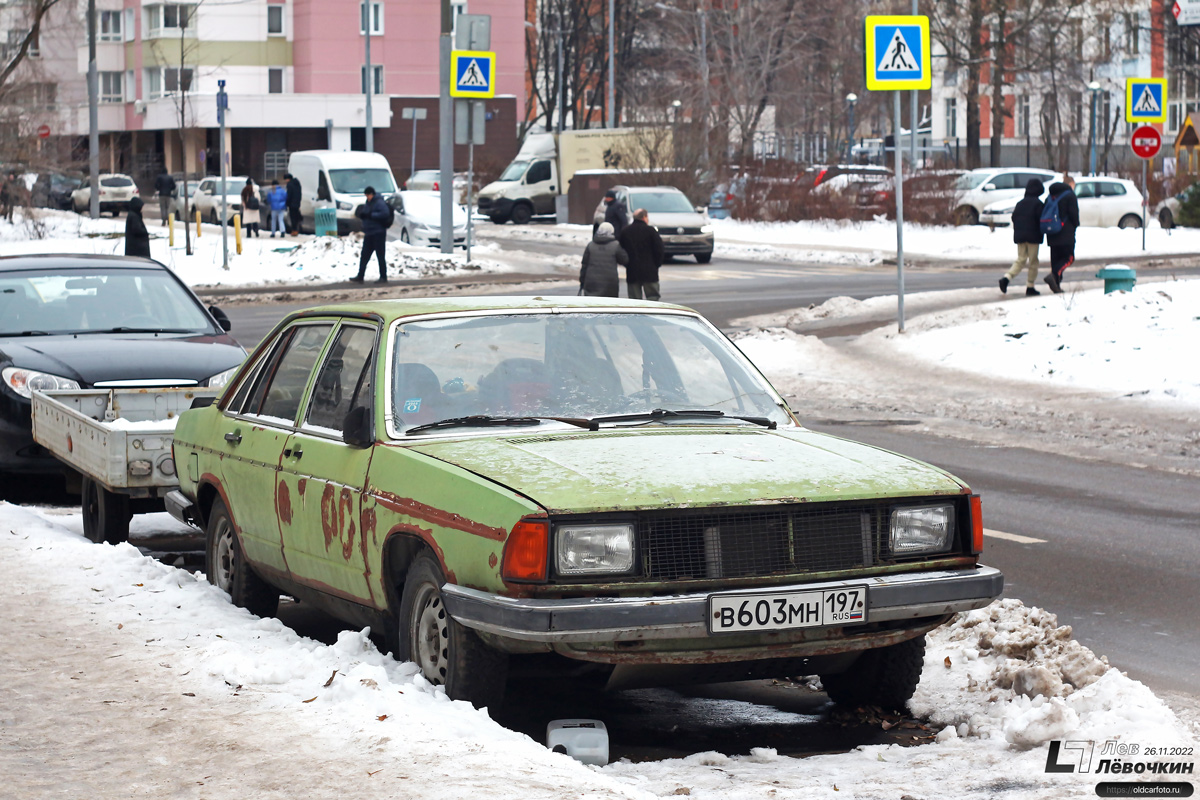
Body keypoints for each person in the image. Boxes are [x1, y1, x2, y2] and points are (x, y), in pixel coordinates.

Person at [999, 178, 1044, 297]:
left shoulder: (1020, 203)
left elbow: (1014, 218)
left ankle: (1006, 278)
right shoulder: (1038, 204)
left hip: (1020, 236)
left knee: (1021, 259)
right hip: (1033, 237)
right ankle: (1030, 286)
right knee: (1033, 262)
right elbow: (1041, 220)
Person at [619, 208, 665, 301]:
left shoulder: (625, 231)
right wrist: (656, 264)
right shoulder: (651, 231)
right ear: (644, 217)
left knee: (634, 300)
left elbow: (621, 251)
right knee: (653, 297)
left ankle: (637, 315)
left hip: (632, 270)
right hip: (650, 270)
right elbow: (659, 249)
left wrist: (627, 264)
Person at [1044, 175, 1079, 294]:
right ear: (1070, 184)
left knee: (1056, 259)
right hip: (1066, 233)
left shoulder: (1051, 196)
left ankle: (1056, 285)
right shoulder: (1070, 195)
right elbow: (1074, 214)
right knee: (1069, 258)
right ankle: (1053, 276)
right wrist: (1075, 225)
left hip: (1052, 232)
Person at [352, 186, 391, 283]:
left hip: (378, 233)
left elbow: (385, 213)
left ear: (371, 194)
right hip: (369, 233)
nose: (367, 197)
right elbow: (366, 213)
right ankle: (360, 276)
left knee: (380, 255)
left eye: (368, 195)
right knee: (364, 255)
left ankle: (383, 277)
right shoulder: (369, 203)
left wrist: (371, 215)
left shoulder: (379, 202)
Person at [579, 221, 628, 297]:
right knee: (608, 305)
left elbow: (584, 265)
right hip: (610, 283)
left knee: (592, 305)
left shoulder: (590, 245)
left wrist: (582, 280)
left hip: (592, 282)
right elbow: (624, 260)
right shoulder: (615, 245)